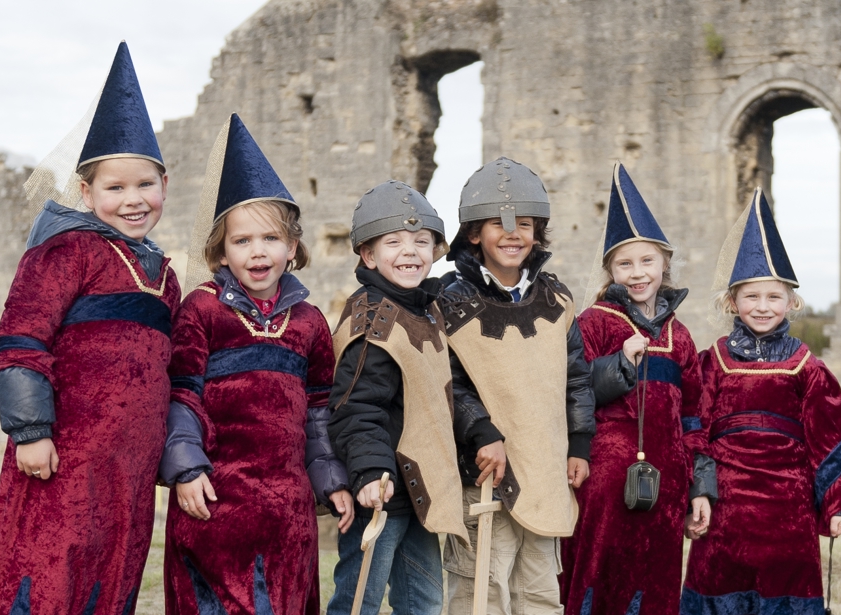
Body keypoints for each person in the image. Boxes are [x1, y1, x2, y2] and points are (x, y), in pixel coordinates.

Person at [0, 42, 181, 615]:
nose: (132, 199)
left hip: (128, 468)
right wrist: (31, 430)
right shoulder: (65, 252)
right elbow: (21, 341)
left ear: (164, 184)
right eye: (115, 189)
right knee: (48, 571)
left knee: (110, 574)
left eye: (144, 185)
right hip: (62, 453)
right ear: (87, 194)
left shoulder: (165, 276)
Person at [161, 114, 350, 615]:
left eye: (269, 239)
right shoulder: (201, 310)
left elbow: (318, 407)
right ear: (222, 252)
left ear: (292, 247)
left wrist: (330, 479)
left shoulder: (309, 321)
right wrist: (185, 469)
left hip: (287, 509)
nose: (257, 252)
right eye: (242, 241)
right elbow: (182, 392)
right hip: (215, 498)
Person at [680, 189, 841, 615]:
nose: (762, 307)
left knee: (785, 591)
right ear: (732, 302)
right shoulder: (713, 361)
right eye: (752, 297)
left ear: (792, 302)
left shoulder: (807, 367)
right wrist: (698, 492)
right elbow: (695, 431)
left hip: (787, 510)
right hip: (725, 508)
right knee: (718, 587)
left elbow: (827, 437)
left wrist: (837, 502)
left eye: (773, 297)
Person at [437, 157, 596, 615]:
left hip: (545, 468)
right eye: (498, 225)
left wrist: (579, 444)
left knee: (540, 594)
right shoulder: (449, 301)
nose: (513, 235)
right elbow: (447, 381)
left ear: (537, 232)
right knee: (482, 596)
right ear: (473, 234)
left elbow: (576, 377)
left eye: (524, 224)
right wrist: (483, 432)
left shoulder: (556, 298)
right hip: (484, 472)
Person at [560, 164, 711, 615]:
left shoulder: (680, 335)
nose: (638, 273)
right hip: (604, 483)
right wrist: (620, 362)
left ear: (665, 264)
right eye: (625, 264)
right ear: (610, 270)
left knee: (656, 580)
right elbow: (574, 391)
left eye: (647, 261)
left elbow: (695, 417)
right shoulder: (593, 323)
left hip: (667, 485)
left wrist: (698, 486)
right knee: (597, 575)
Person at [326, 180, 461, 615]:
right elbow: (356, 407)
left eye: (422, 242)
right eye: (394, 242)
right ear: (368, 255)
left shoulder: (422, 310)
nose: (410, 251)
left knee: (423, 603)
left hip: (419, 493)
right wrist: (368, 474)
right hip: (381, 493)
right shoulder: (375, 318)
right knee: (358, 601)